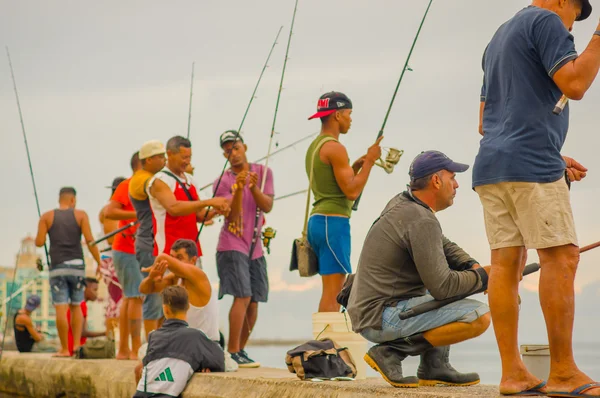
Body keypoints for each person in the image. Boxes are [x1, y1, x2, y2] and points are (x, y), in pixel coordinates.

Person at [475, 0, 600, 395]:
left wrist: (556, 155)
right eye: (575, 18)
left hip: (493, 166)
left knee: (505, 265)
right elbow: (576, 84)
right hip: (529, 164)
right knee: (562, 256)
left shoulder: (498, 37)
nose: (571, 31)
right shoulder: (547, 22)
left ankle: (512, 374)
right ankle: (562, 373)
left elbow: (486, 122)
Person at [347, 151, 490, 388]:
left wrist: (472, 266)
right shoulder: (421, 219)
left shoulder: (405, 203)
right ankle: (391, 352)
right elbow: (443, 287)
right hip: (382, 317)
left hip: (371, 313)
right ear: (436, 181)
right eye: (452, 177)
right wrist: (485, 277)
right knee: (479, 317)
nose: (456, 185)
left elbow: (443, 245)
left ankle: (435, 366)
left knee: (453, 290)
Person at [305, 91, 382, 312]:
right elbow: (351, 191)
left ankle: (326, 341)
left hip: (319, 221)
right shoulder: (336, 148)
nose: (350, 119)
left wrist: (356, 165)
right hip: (333, 223)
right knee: (335, 293)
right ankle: (326, 344)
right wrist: (370, 161)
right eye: (348, 114)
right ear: (337, 115)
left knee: (329, 290)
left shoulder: (316, 146)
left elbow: (334, 182)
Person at [213, 130, 274, 368]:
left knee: (255, 299)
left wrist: (253, 188)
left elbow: (267, 205)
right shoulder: (223, 181)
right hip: (231, 244)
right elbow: (233, 215)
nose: (233, 153)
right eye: (228, 150)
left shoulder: (264, 172)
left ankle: (241, 350)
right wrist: (238, 190)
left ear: (244, 147)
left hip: (255, 246)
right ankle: (232, 351)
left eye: (236, 148)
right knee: (243, 295)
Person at [35, 187, 101, 357]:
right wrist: (99, 262)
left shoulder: (47, 216)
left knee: (60, 308)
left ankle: (64, 349)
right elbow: (90, 240)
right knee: (76, 306)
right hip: (77, 267)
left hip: (58, 267)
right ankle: (77, 346)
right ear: (73, 200)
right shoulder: (81, 215)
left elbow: (39, 242)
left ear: (60, 199)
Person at [133, 286, 225, 398]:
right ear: (188, 307)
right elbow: (220, 361)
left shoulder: (154, 336)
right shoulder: (195, 336)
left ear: (165, 309)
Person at [147, 135, 229, 258]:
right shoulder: (160, 180)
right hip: (169, 253)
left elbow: (200, 215)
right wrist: (209, 202)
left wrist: (218, 210)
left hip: (192, 252)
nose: (187, 161)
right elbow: (173, 208)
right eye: (184, 157)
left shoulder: (190, 180)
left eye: (189, 157)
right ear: (169, 154)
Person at [105, 152, 145, 360]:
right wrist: (137, 215)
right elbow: (109, 212)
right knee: (135, 297)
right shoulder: (128, 185)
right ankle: (133, 349)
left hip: (136, 249)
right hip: (126, 249)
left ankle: (125, 349)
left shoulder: (149, 186)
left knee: (131, 298)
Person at [129, 141, 167, 338]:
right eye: (161, 157)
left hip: (157, 243)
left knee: (163, 296)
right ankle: (151, 344)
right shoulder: (141, 179)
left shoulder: (154, 178)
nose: (165, 160)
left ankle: (159, 340)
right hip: (148, 243)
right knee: (152, 295)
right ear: (148, 160)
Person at [98, 176, 126, 341]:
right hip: (113, 258)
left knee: (119, 302)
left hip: (113, 257)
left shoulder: (111, 209)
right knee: (115, 303)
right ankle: (112, 341)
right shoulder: (110, 210)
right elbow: (112, 238)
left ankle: (116, 341)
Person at [67, 277, 106, 356]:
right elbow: (82, 332)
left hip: (71, 348)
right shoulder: (81, 305)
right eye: (94, 290)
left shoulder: (74, 304)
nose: (96, 293)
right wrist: (105, 333)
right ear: (85, 289)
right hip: (76, 350)